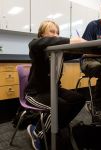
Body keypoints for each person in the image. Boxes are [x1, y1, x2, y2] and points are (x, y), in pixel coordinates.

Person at [25, 20, 86, 150]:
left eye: (57, 32)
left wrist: (84, 46)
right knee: (60, 105)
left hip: (53, 90)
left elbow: (77, 52)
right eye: (52, 31)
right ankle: (37, 133)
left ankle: (56, 126)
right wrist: (71, 40)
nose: (56, 34)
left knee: (80, 99)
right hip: (35, 93)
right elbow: (34, 44)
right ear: (41, 35)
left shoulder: (59, 53)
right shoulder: (36, 48)